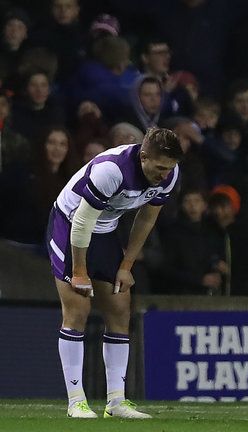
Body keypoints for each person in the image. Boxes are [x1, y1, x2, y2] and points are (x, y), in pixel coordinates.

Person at [46, 128, 181, 418]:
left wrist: (126, 266)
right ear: (143, 156)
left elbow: (146, 218)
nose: (164, 174)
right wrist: (80, 272)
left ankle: (116, 402)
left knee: (120, 309)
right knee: (78, 308)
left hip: (105, 230)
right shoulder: (111, 170)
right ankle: (76, 401)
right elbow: (82, 222)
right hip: (70, 225)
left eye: (168, 169)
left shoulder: (170, 173)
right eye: (159, 168)